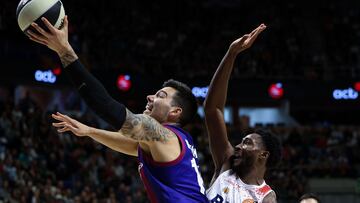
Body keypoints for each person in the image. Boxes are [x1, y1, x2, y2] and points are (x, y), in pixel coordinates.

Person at [27, 16, 208, 203]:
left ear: (175, 112)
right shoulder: (178, 141)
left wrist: (64, 50)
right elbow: (132, 146)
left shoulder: (161, 135)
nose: (150, 97)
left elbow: (105, 105)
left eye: (161, 96)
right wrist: (89, 131)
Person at [203, 24, 282, 203]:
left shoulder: (266, 197)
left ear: (263, 154)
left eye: (247, 143)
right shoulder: (226, 163)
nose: (238, 146)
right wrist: (231, 53)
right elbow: (212, 109)